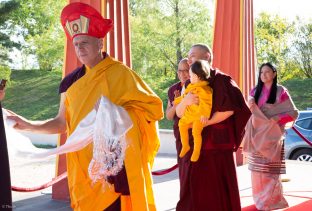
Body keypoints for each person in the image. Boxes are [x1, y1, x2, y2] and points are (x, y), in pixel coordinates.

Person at [7, 2, 163, 211]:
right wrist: (28, 125)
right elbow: (61, 123)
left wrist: (113, 113)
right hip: (82, 167)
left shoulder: (121, 74)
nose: (79, 49)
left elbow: (152, 109)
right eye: (76, 44)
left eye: (85, 43)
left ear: (100, 43)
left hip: (113, 168)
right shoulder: (70, 82)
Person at [175, 43, 251, 211]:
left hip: (215, 146)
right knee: (193, 187)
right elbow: (180, 113)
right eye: (188, 57)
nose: (189, 60)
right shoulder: (189, 83)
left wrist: (207, 122)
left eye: (193, 55)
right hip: (194, 144)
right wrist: (186, 101)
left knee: (214, 190)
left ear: (207, 56)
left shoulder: (222, 80)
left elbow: (231, 109)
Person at [242, 62, 298, 210]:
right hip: (257, 135)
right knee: (257, 171)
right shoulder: (254, 91)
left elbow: (293, 112)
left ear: (274, 74)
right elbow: (250, 111)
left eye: (267, 72)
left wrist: (277, 119)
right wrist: (251, 104)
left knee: (270, 172)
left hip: (273, 136)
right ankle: (260, 200)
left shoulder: (281, 91)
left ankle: (273, 201)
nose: (264, 75)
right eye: (261, 73)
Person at [174, 60, 212, 162]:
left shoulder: (204, 89)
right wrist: (177, 100)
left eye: (191, 75)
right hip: (190, 114)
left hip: (199, 116)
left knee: (196, 132)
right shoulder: (191, 86)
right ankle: (185, 145)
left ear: (198, 76)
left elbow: (207, 103)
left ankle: (196, 151)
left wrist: (205, 115)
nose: (189, 77)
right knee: (181, 124)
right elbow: (185, 96)